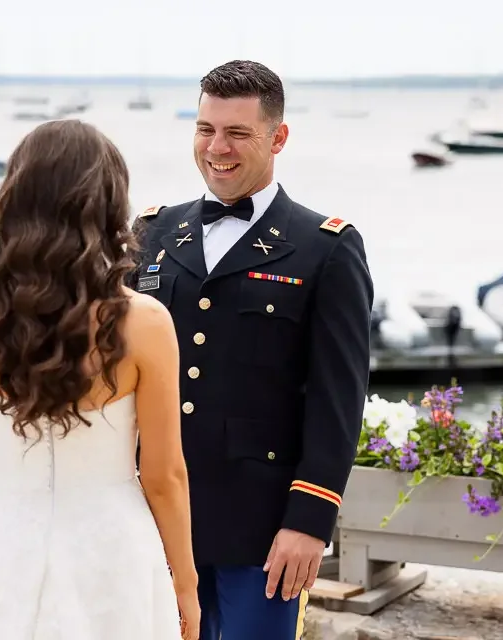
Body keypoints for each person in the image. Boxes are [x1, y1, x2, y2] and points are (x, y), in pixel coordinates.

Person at [0, 119, 201, 640]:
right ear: (109, 206)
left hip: (0, 539)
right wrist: (185, 583)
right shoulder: (145, 323)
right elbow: (164, 477)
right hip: (113, 548)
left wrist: (6, 509)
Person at [129, 60, 374, 640]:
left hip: (261, 531)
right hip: (151, 517)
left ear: (278, 137)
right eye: (205, 129)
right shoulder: (152, 235)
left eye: (237, 133)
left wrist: (310, 521)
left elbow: (338, 400)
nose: (218, 148)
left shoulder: (325, 249)